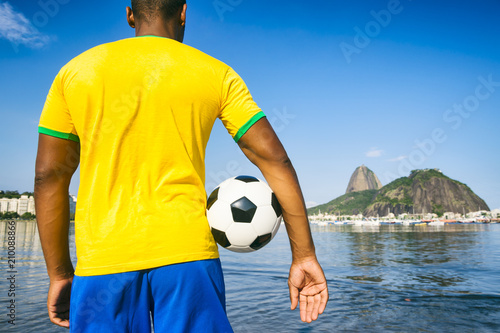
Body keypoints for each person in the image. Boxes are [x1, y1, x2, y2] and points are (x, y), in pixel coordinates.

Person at [34, 0, 328, 331]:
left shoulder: (76, 72)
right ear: (184, 12)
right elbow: (275, 160)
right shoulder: (216, 72)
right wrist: (304, 256)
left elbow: (48, 177)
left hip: (103, 264)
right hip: (189, 260)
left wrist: (59, 272)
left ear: (130, 14)